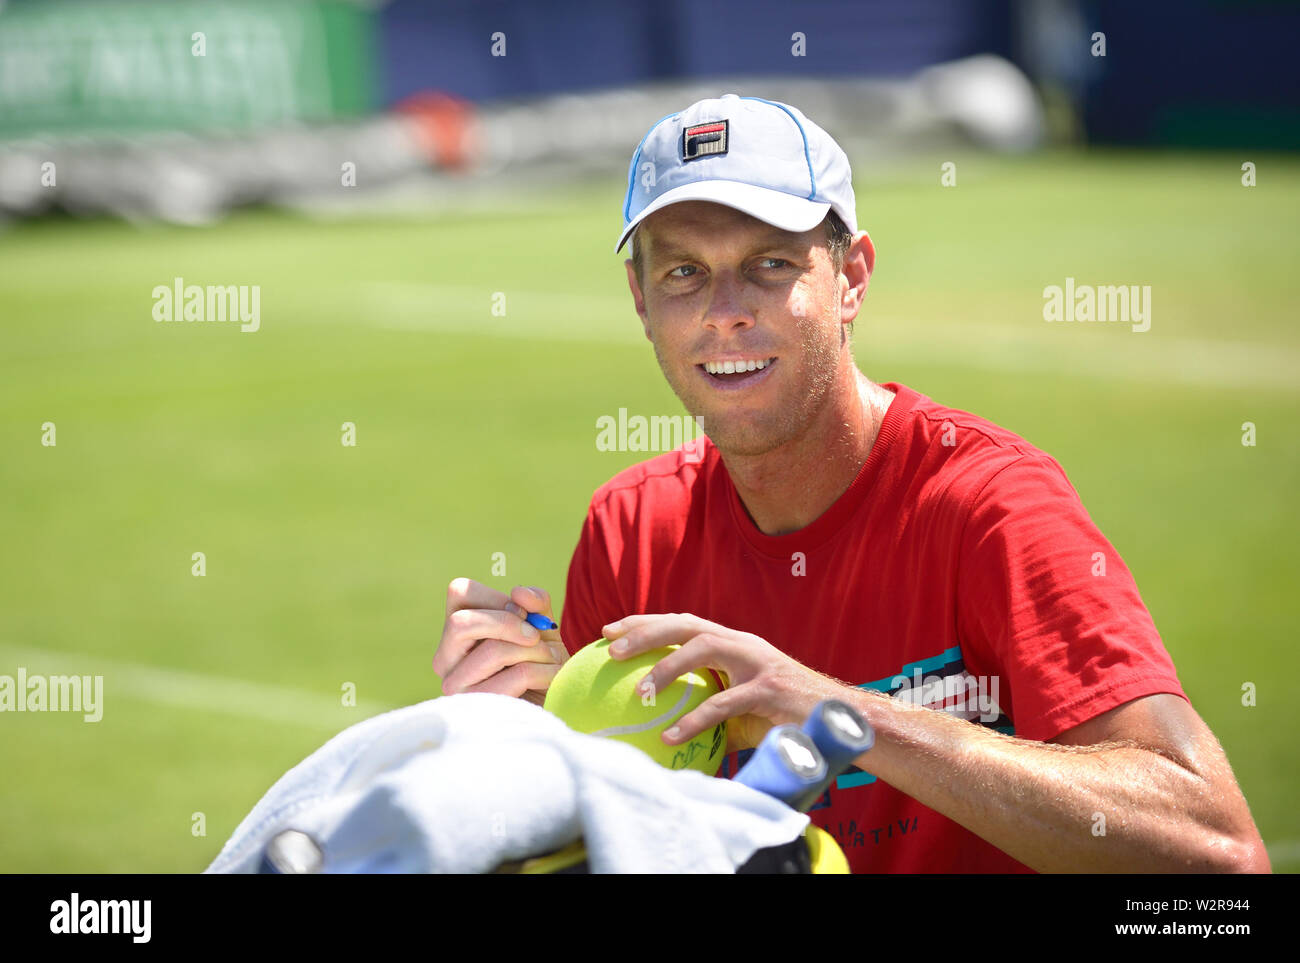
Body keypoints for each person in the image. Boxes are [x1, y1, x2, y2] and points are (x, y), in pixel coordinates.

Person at [433, 94, 1270, 873]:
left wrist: (834, 714)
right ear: (641, 301)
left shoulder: (991, 505)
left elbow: (1216, 849)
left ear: (853, 278)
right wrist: (532, 750)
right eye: (683, 272)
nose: (724, 309)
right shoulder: (631, 528)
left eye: (768, 263)